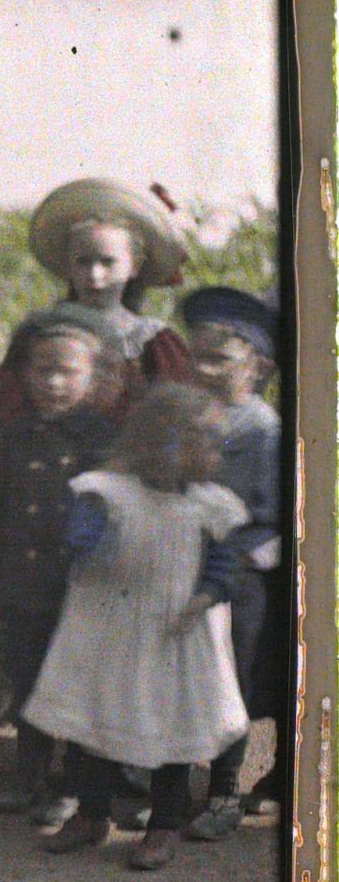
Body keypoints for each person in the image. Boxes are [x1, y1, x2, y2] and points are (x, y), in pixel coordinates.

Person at [24, 384, 250, 871]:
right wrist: (81, 538)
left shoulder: (212, 507)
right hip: (112, 629)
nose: (208, 455)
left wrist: (205, 596)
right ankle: (91, 814)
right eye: (196, 442)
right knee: (98, 723)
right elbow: (78, 542)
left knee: (172, 731)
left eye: (212, 446)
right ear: (152, 442)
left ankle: (163, 825)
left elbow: (225, 567)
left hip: (176, 633)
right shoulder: (107, 493)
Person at [0, 305, 122, 819]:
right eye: (43, 371)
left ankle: (73, 784)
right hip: (24, 582)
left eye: (68, 372)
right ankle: (28, 775)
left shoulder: (101, 440)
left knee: (77, 682)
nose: (54, 383)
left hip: (79, 584)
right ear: (26, 374)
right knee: (28, 678)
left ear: (94, 378)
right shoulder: (16, 437)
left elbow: (111, 514)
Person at [178, 287, 286, 841]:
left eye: (218, 359)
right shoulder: (185, 416)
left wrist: (236, 560)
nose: (203, 369)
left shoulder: (263, 430)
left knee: (229, 681)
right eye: (197, 357)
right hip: (180, 565)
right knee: (175, 672)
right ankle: (168, 788)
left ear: (259, 365)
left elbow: (270, 515)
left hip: (237, 574)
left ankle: (224, 790)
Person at [0, 177, 195, 433]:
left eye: (108, 263)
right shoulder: (42, 332)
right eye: (83, 262)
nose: (95, 275)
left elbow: (178, 420)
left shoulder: (150, 340)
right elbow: (6, 414)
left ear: (135, 266)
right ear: (68, 264)